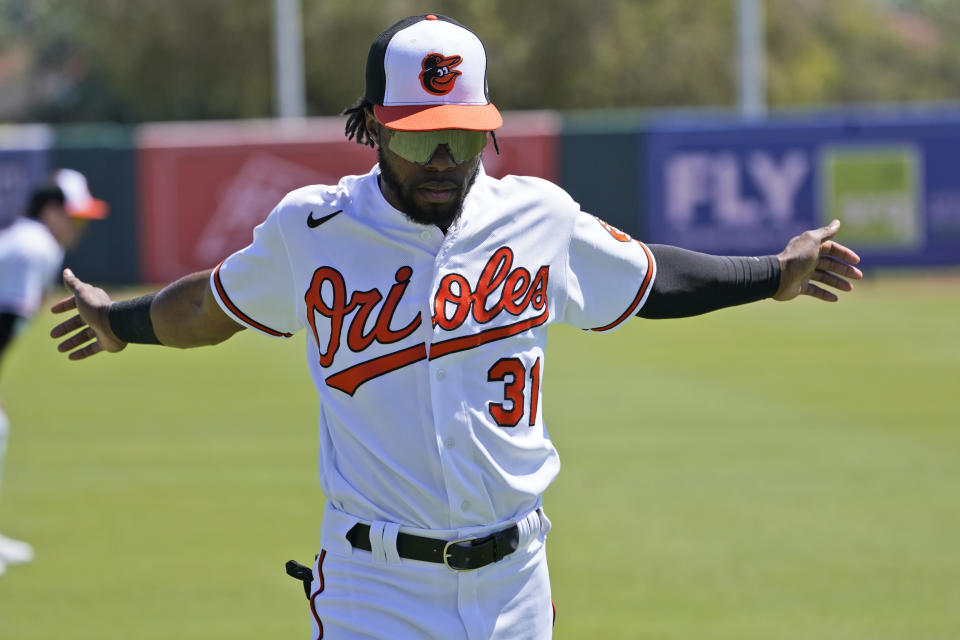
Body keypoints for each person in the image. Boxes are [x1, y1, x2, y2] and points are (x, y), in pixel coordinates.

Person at [49, 14, 861, 639]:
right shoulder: (313, 230)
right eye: (420, 134)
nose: (444, 156)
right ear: (371, 125)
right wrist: (119, 323)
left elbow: (651, 276)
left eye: (465, 134)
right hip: (376, 587)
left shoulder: (538, 216)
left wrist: (771, 274)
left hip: (517, 581)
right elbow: (207, 307)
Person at [0, 168, 108, 576]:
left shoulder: (31, 241)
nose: (81, 226)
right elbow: (4, 324)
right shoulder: (34, 246)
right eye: (74, 216)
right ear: (50, 210)